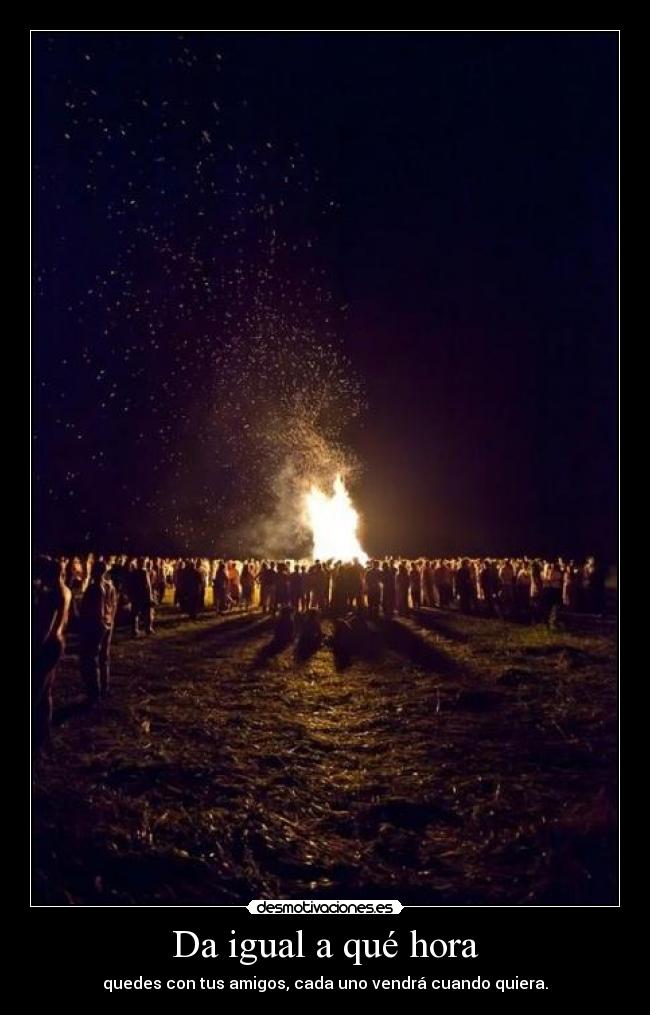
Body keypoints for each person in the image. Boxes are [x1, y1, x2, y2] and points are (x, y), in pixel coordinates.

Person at [32, 557, 71, 757]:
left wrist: (35, 648)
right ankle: (43, 735)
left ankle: (36, 743)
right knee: (46, 692)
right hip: (59, 643)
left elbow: (46, 629)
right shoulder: (66, 590)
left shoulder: (53, 594)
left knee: (36, 692)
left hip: (47, 646)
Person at [78, 560, 117, 702]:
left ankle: (95, 693)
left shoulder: (94, 588)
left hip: (96, 625)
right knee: (104, 657)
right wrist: (110, 622)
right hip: (107, 624)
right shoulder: (110, 586)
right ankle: (104, 687)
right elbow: (113, 606)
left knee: (91, 659)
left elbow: (94, 610)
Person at [127, 557, 154, 635]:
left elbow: (130, 585)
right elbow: (148, 586)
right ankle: (148, 629)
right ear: (142, 563)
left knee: (135, 613)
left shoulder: (133, 573)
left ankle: (134, 630)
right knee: (147, 613)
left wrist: (131, 595)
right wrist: (150, 596)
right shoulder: (144, 572)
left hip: (136, 595)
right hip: (144, 595)